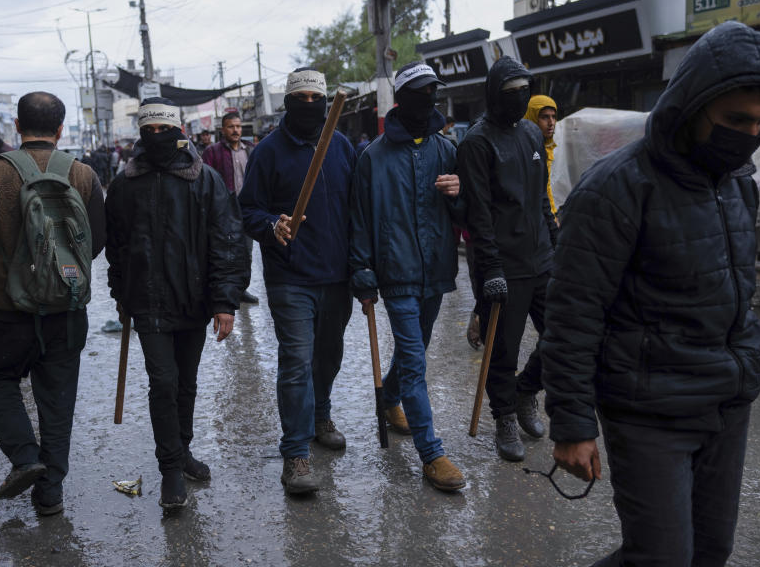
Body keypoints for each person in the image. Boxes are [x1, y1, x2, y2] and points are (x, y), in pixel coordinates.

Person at [542, 21, 760, 567]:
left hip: (726, 404)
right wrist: (573, 424)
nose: (748, 135)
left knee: (710, 552)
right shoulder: (615, 187)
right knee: (661, 557)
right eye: (734, 120)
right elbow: (573, 313)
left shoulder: (737, 185)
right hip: (648, 410)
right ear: (692, 104)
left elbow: (737, 291)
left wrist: (746, 359)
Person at [0, 92, 105, 517]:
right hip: (66, 309)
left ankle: (25, 457)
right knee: (58, 399)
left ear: (16, 125)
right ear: (61, 128)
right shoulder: (84, 175)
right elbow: (96, 243)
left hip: (8, 311)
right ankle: (50, 495)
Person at [106, 97, 247, 509]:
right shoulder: (125, 182)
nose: (156, 137)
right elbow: (115, 246)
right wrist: (121, 294)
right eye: (148, 130)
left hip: (193, 302)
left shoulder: (203, 179)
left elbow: (226, 241)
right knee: (162, 383)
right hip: (146, 305)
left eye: (162, 130)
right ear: (140, 134)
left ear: (179, 132)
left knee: (186, 382)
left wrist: (225, 302)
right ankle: (170, 467)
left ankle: (182, 450)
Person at [350, 61, 467, 492]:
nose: (429, 100)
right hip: (395, 273)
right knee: (416, 361)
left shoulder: (447, 149)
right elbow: (359, 219)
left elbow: (464, 213)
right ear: (402, 99)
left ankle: (390, 396)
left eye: (432, 92)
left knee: (412, 352)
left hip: (436, 271)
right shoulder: (372, 158)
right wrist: (362, 271)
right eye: (421, 93)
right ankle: (432, 454)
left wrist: (459, 194)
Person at [239, 67, 355, 495]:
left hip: (337, 274)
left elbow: (357, 211)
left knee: (328, 355)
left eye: (316, 101)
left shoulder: (342, 148)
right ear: (288, 104)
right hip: (289, 275)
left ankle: (321, 413)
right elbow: (247, 210)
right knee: (296, 360)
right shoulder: (268, 152)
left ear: (326, 105)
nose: (309, 107)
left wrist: (362, 268)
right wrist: (273, 224)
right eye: (300, 100)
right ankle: (295, 453)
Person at [456, 56, 558, 462]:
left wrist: (556, 240)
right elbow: (478, 214)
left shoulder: (532, 135)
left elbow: (541, 199)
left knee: (565, 337)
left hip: (542, 258)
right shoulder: (477, 142)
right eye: (510, 92)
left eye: (524, 90)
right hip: (504, 265)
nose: (518, 98)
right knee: (503, 350)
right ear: (494, 94)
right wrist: (491, 269)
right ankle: (503, 417)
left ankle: (525, 392)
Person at [202, 112, 258, 304]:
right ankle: (225, 291)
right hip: (224, 212)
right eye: (231, 126)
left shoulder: (251, 150)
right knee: (225, 251)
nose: (236, 130)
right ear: (223, 129)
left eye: (238, 126)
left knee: (246, 251)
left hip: (248, 210)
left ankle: (242, 289)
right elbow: (206, 180)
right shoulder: (212, 152)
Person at [524, 95, 558, 218]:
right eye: (544, 117)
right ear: (532, 118)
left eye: (554, 117)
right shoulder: (525, 149)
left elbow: (546, 187)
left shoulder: (546, 147)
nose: (551, 123)